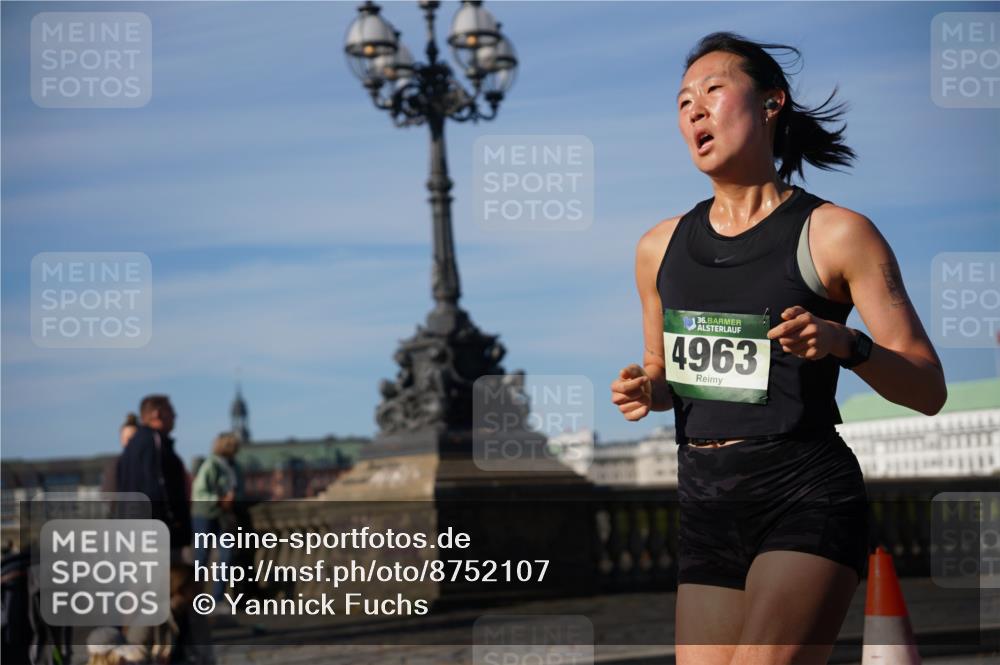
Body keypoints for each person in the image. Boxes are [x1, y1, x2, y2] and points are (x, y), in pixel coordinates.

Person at [609, 32, 945, 665]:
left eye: (713, 90)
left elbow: (929, 389)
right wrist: (645, 388)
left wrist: (846, 343)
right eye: (684, 103)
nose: (695, 110)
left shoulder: (838, 233)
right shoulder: (657, 247)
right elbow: (665, 374)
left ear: (771, 104)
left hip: (804, 491)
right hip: (704, 502)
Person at [116, 395, 192, 553]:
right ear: (157, 414)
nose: (174, 416)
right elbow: (159, 487)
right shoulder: (155, 443)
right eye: (170, 411)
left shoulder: (130, 448)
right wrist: (174, 523)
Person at [191, 432, 243, 602]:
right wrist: (219, 499)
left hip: (225, 516)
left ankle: (217, 599)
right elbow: (198, 492)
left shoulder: (235, 467)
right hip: (205, 515)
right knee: (202, 557)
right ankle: (195, 598)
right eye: (233, 445)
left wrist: (233, 499)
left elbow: (239, 490)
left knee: (227, 556)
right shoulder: (211, 465)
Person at [100, 413, 140, 494]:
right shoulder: (116, 465)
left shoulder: (149, 462)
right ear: (121, 440)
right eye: (126, 439)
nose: (129, 442)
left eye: (133, 439)